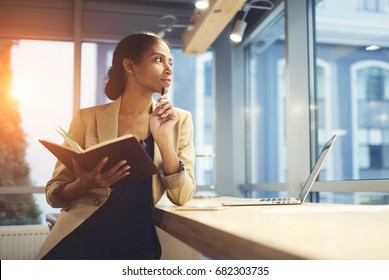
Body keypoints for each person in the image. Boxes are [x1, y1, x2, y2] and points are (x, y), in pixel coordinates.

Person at [35, 32, 196, 260]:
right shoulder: (87, 118)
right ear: (130, 66)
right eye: (158, 60)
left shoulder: (180, 120)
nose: (169, 69)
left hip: (138, 246)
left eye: (170, 62)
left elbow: (182, 196)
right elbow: (54, 193)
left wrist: (163, 140)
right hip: (80, 242)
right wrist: (83, 184)